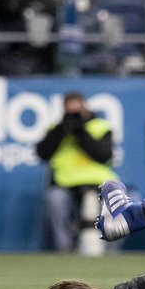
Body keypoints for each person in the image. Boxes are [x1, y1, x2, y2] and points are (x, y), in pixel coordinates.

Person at [36, 91, 117, 253]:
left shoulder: (99, 126)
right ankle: (64, 247)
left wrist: (81, 132)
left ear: (84, 107)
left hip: (99, 183)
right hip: (67, 184)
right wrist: (61, 129)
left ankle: (111, 249)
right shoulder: (57, 129)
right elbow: (43, 153)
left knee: (118, 202)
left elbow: (103, 155)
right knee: (55, 198)